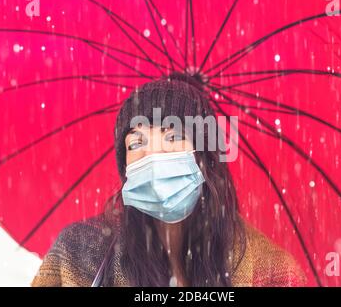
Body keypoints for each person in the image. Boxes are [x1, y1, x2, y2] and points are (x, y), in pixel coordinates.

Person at [31, 73, 306, 287]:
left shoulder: (272, 272)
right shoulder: (80, 254)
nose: (152, 155)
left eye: (172, 137)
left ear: (205, 157)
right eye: (136, 142)